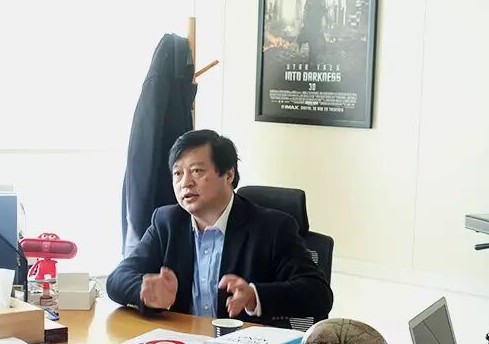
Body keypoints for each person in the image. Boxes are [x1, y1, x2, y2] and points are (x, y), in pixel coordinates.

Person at [106, 129, 333, 323]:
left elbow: (318, 294)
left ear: (228, 174)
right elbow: (117, 279)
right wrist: (146, 291)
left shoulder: (272, 228)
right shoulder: (167, 222)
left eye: (197, 171)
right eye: (178, 173)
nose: (185, 183)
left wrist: (254, 296)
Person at [297, 0, 327, 65]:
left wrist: (324, 22)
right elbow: (305, 11)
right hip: (309, 24)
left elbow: (324, 11)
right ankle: (311, 60)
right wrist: (303, 22)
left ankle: (315, 60)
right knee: (311, 43)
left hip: (318, 24)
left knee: (318, 43)